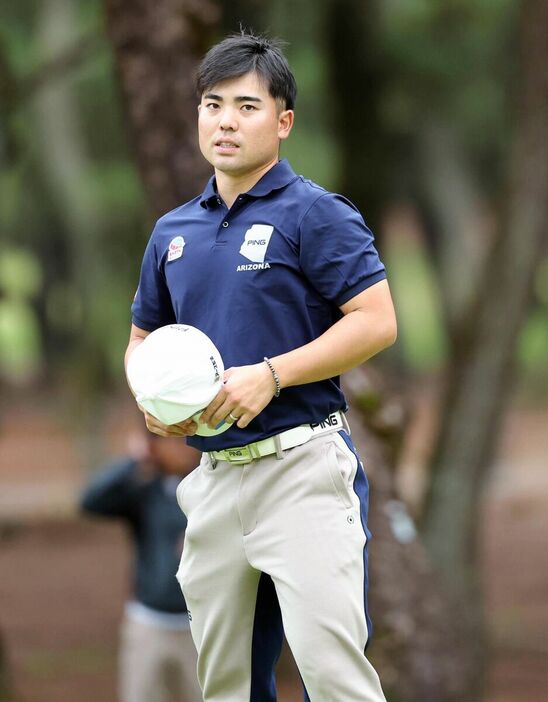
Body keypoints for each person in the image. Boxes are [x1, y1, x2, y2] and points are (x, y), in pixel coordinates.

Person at [126, 30, 397, 702]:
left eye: (246, 106)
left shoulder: (317, 214)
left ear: (283, 123)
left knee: (335, 681)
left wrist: (271, 374)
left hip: (302, 470)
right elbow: (142, 341)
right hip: (214, 480)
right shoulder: (173, 232)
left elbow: (376, 321)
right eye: (212, 104)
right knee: (225, 687)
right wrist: (156, 402)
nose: (225, 120)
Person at [80, 430, 203, 702]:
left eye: (185, 439)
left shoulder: (208, 489)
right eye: (169, 440)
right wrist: (133, 459)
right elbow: (90, 500)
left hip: (201, 627)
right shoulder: (145, 492)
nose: (181, 448)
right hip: (149, 622)